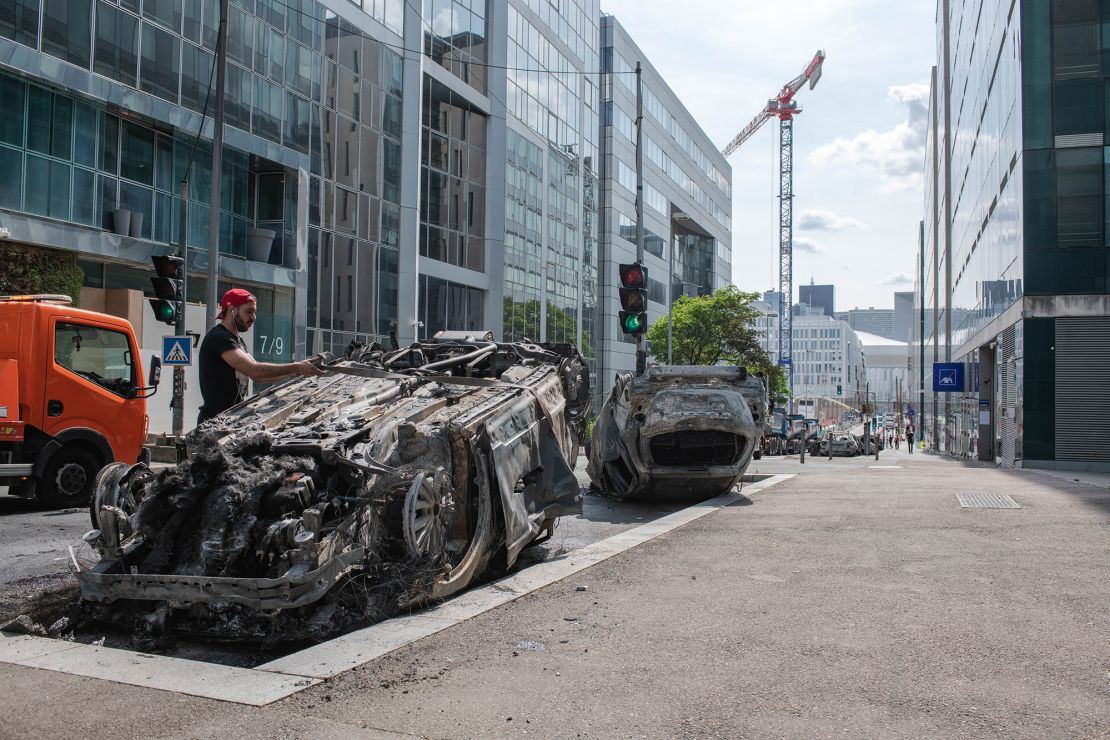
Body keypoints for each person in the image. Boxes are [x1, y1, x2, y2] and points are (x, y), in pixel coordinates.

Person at [197, 288, 324, 424]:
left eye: (254, 312)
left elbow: (258, 378)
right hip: (213, 421)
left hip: (226, 420)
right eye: (249, 312)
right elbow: (256, 371)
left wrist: (296, 371)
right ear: (232, 310)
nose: (253, 318)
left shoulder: (237, 341)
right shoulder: (219, 338)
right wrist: (297, 367)